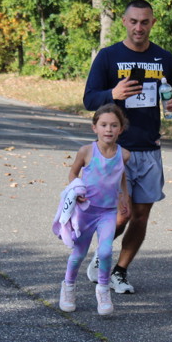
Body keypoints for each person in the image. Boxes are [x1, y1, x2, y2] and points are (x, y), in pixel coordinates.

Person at [82, 0, 172, 294]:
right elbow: (89, 99)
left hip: (149, 148)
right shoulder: (108, 57)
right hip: (115, 151)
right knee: (122, 214)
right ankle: (101, 256)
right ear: (124, 22)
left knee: (141, 216)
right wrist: (113, 94)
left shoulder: (164, 58)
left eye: (144, 22)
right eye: (133, 21)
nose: (139, 27)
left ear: (152, 23)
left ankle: (120, 271)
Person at [55, 104, 131, 316]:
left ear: (120, 129)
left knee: (105, 251)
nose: (108, 129)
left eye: (114, 125)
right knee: (78, 254)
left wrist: (124, 196)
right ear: (94, 127)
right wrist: (76, 188)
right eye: (104, 125)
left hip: (107, 213)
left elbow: (121, 175)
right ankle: (68, 287)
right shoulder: (87, 151)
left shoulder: (124, 154)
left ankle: (103, 290)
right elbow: (73, 173)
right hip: (85, 212)